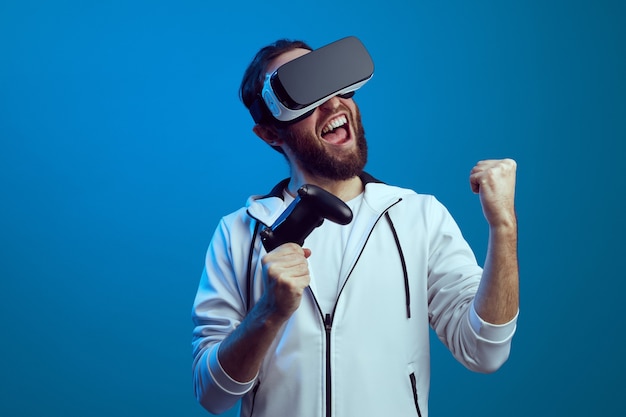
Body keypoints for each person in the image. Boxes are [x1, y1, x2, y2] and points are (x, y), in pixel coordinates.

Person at [191, 37, 519, 417]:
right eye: (302, 93)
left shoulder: (419, 216)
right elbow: (213, 396)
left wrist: (504, 228)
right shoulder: (237, 235)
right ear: (271, 134)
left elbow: (485, 351)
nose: (331, 102)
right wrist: (269, 313)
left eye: (331, 81)